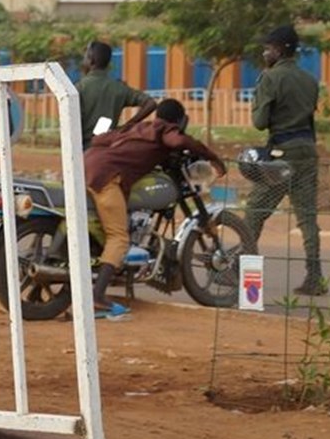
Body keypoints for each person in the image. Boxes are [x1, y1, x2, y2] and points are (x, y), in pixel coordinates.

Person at [84, 99, 225, 317]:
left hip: (88, 170)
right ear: (178, 122)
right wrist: (213, 157)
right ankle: (97, 299)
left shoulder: (139, 128)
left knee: (115, 227)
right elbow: (177, 142)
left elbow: (99, 139)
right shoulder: (164, 130)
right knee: (118, 238)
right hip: (107, 177)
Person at [244, 25, 324, 296]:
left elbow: (259, 122)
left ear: (279, 50)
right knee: (307, 218)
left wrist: (257, 102)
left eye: (267, 48)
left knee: (255, 211)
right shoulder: (309, 79)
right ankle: (315, 277)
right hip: (307, 152)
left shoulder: (270, 78)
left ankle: (240, 273)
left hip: (282, 155)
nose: (264, 52)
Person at [76, 41, 156, 149]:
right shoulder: (118, 88)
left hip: (83, 149)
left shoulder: (79, 88)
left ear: (91, 60)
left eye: (85, 57)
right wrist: (128, 125)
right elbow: (150, 103)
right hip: (109, 147)